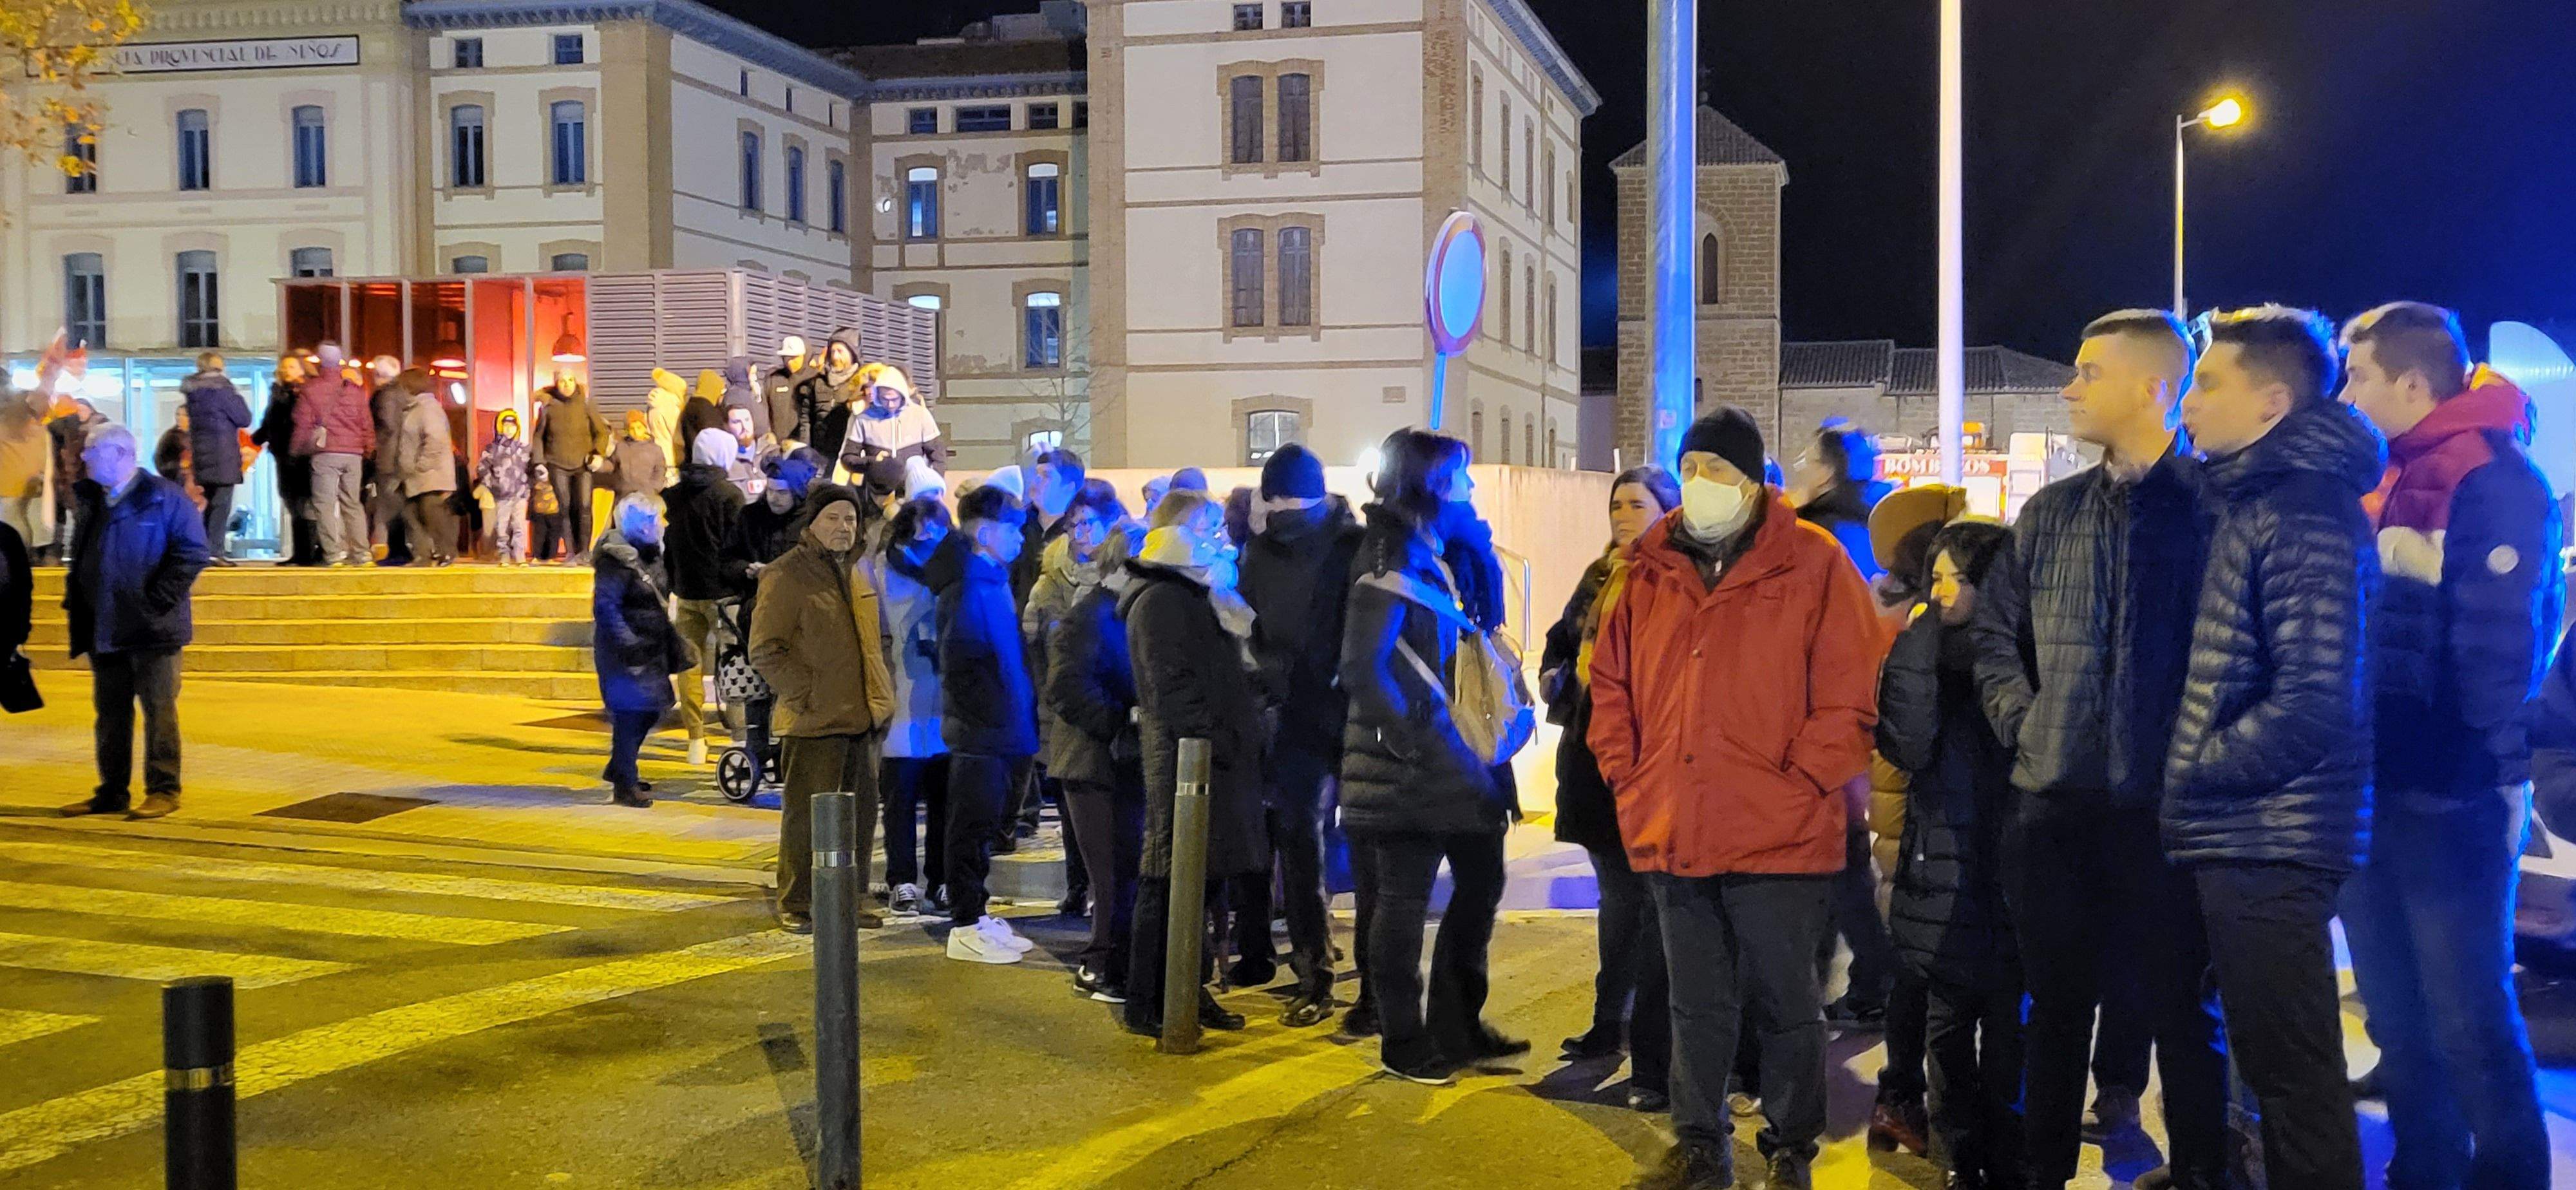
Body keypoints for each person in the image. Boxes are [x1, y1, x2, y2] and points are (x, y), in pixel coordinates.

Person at [1587, 408, 1880, 1190]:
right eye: (1687, 468)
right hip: (1674, 822)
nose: (1697, 483)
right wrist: (1630, 773)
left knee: (1786, 1002)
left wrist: (1801, 781)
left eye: (1714, 469)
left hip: (1780, 830)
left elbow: (1850, 693)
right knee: (1696, 1003)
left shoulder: (1814, 561)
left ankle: (1790, 1146)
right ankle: (1699, 1140)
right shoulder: (1645, 569)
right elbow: (1609, 687)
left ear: (1750, 480)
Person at [1969, 310, 2227, 1190]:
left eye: (2089, 372)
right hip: (2055, 807)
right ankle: (2039, 1172)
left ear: (2155, 388)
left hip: (2169, 814)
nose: (2068, 387)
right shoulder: (2050, 513)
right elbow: (1996, 638)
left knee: (2183, 1017)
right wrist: (2026, 722)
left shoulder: (2213, 511)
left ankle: (2200, 1173)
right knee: (2053, 1013)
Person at [2335, 302, 2559, 1190]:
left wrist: (2464, 770)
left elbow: (2502, 654)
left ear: (2410, 383)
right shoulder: (2388, 472)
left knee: (2468, 1015)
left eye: (2357, 376)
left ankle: (2509, 1175)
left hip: (2450, 793)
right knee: (2395, 1010)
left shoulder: (2496, 479)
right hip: (2375, 782)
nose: (2346, 394)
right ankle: (2424, 1167)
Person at [2165, 304, 2381, 1190]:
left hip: (2272, 836)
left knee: (2295, 1076)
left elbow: (2314, 699)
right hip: (2250, 831)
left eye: (2207, 384)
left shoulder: (2301, 509)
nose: (2187, 403)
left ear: (2272, 403)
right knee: (2274, 1065)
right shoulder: (2258, 499)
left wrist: (2195, 770)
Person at [1337, 430, 1517, 1086]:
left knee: (1478, 880)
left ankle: (1454, 1025)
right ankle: (1402, 1039)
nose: (1471, 489)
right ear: (1436, 485)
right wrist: (1409, 739)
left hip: (1442, 756)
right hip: (1407, 763)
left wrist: (1477, 543)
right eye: (1462, 479)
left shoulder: (1429, 551)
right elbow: (1362, 666)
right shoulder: (1387, 557)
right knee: (1402, 901)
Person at [1878, 520, 2023, 1190]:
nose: (1939, 591)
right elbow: (1906, 744)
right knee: (1946, 1025)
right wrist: (1917, 648)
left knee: (2010, 1027)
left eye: (1955, 579)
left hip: (2011, 865)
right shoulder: (1922, 650)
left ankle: (2008, 1154)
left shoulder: (2024, 650)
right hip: (1939, 858)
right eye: (1933, 577)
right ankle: (1958, 1154)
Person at [1543, 465, 1679, 1110]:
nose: (1623, 516)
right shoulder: (1601, 575)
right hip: (1591, 759)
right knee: (1618, 902)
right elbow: (1559, 642)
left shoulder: (1671, 578)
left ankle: (1646, 1046)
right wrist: (1557, 674)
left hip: (1645, 763)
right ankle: (1609, 1023)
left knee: (1647, 910)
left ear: (1667, 510)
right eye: (1617, 505)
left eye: (1636, 504)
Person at [1119, 489, 1264, 1035]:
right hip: (1186, 765)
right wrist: (1216, 740)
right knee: (1169, 877)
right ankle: (1151, 1000)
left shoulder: (1193, 592)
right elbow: (1172, 688)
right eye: (1207, 527)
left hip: (1205, 761)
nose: (1219, 539)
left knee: (1200, 882)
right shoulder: (1162, 598)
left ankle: (1186, 989)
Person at [1238, 443, 1367, 1027]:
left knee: (1311, 845)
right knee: (1322, 845)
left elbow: (1253, 631)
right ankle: (1336, 972)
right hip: (1329, 712)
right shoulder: (1351, 542)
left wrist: (1273, 681)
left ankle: (1325, 976)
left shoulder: (1270, 551)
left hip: (1316, 714)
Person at [751, 484, 896, 934]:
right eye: (832, 518)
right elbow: (765, 650)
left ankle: (851, 897)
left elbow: (877, 640)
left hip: (862, 717)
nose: (843, 527)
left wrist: (881, 692)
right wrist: (806, 692)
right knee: (806, 819)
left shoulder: (860, 571)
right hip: (812, 720)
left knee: (860, 818)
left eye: (850, 519)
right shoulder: (786, 574)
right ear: (812, 524)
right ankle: (797, 900)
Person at [58, 424, 209, 821]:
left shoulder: (163, 497)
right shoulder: (93, 499)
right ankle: (111, 791)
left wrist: (157, 600)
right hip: (105, 625)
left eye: (93, 451)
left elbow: (192, 552)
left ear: (122, 454)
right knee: (111, 713)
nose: (85, 458)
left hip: (152, 628)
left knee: (159, 710)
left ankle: (164, 789)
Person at [934, 485, 1040, 964]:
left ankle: (978, 914)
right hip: (981, 735)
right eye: (1012, 528)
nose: (1020, 537)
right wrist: (991, 717)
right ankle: (964, 924)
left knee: (986, 830)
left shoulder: (992, 580)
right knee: (970, 829)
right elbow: (960, 665)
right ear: (983, 532)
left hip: (1002, 731)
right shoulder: (967, 587)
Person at [1046, 518, 1145, 1002]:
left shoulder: (1117, 611)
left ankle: (1118, 961)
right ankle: (1101, 963)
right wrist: (1122, 720)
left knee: (1123, 871)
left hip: (1112, 759)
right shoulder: (1093, 615)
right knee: (1111, 875)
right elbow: (1065, 687)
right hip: (1092, 762)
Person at [876, 496, 954, 917]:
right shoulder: (882, 572)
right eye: (922, 534)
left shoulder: (954, 572)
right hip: (900, 704)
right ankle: (902, 880)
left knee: (945, 801)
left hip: (944, 706)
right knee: (900, 801)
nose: (929, 543)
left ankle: (941, 879)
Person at [592, 493, 683, 808]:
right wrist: (628, 643)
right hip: (624, 652)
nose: (663, 524)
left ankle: (620, 767)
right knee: (631, 714)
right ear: (641, 524)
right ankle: (625, 784)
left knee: (654, 708)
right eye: (657, 519)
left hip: (650, 647)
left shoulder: (653, 553)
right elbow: (606, 608)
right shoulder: (615, 559)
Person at [666, 428, 748, 767]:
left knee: (689, 667)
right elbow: (737, 546)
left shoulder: (673, 495)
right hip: (724, 596)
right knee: (733, 663)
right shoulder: (730, 496)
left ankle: (696, 740)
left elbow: (668, 546)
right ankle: (740, 737)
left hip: (686, 591)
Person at [293, 343, 375, 567]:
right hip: (353, 455)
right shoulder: (355, 390)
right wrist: (368, 448)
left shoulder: (312, 390)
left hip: (326, 454)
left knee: (325, 504)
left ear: (321, 361)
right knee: (353, 503)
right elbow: (366, 423)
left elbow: (303, 424)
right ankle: (362, 553)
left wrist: (297, 451)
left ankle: (333, 553)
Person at [178, 354, 252, 565]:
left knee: (209, 504)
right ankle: (214, 551)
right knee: (221, 505)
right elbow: (244, 418)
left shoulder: (194, 393)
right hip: (223, 455)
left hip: (202, 456)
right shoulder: (223, 390)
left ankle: (203, 550)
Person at [535, 370, 611, 563]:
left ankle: (584, 551)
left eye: (570, 380)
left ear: (576, 383)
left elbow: (602, 432)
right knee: (565, 507)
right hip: (557, 463)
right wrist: (539, 462)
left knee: (584, 506)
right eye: (562, 381)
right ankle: (570, 551)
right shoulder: (548, 407)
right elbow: (539, 437)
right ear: (556, 384)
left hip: (583, 464)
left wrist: (598, 454)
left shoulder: (585, 405)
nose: (566, 384)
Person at [251, 355, 319, 565]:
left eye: (292, 366)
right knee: (292, 503)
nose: (287, 370)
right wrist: (255, 440)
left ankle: (310, 551)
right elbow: (270, 423)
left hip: (303, 455)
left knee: (305, 504)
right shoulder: (278, 394)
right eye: (284, 367)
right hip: (282, 455)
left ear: (301, 369)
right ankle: (301, 552)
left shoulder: (306, 393)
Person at [388, 368, 457, 567]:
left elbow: (436, 440)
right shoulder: (413, 409)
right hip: (416, 475)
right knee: (412, 514)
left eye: (401, 387)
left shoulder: (427, 409)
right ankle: (423, 555)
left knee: (431, 514)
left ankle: (446, 552)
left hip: (430, 475)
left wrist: (421, 465)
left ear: (409, 387)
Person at [837, 362, 949, 479]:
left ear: (903, 395)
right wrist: (872, 462)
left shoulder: (920, 414)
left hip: (913, 486)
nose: (890, 404)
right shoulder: (864, 419)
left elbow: (938, 455)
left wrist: (935, 481)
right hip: (877, 487)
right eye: (884, 399)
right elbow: (848, 458)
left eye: (894, 399)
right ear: (877, 395)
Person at [475, 410, 539, 566]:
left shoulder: (525, 449)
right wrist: (493, 486)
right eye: (506, 426)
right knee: (502, 527)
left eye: (512, 426)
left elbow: (532, 470)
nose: (509, 429)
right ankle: (504, 555)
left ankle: (520, 556)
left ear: (517, 428)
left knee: (519, 526)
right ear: (500, 427)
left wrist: (528, 487)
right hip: (501, 496)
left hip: (520, 495)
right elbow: (482, 469)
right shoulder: (492, 449)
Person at [809, 329, 864, 462]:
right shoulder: (820, 381)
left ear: (853, 354)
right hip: (818, 454)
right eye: (833, 351)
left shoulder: (863, 382)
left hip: (846, 456)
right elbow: (807, 417)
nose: (835, 356)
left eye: (840, 351)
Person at [766, 335, 815, 448]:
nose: (789, 362)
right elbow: (764, 409)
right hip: (778, 447)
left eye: (794, 358)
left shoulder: (815, 378)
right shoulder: (774, 379)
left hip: (807, 448)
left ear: (805, 356)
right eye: (786, 357)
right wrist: (768, 433)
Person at [607, 411, 667, 500]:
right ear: (627, 430)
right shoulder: (621, 447)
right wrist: (599, 464)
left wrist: (654, 488)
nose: (636, 432)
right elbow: (611, 465)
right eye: (632, 429)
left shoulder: (655, 449)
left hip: (647, 497)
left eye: (639, 427)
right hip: (624, 496)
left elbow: (660, 470)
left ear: (645, 428)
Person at [724, 406, 775, 500]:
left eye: (747, 420)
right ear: (726, 426)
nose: (744, 426)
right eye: (737, 422)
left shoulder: (773, 453)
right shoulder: (724, 461)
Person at [646, 367, 686, 471]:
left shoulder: (652, 404)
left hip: (653, 451)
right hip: (669, 453)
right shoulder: (671, 406)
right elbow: (677, 435)